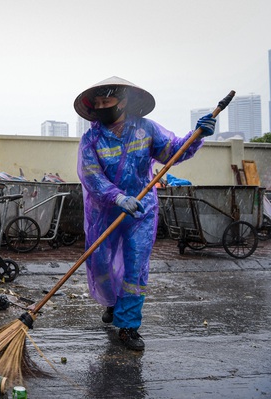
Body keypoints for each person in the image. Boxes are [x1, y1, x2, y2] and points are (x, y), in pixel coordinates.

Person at [73, 76, 216, 350]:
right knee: (100, 263)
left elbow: (172, 152)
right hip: (104, 211)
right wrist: (116, 196)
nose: (103, 106)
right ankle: (113, 303)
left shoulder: (146, 129)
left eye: (108, 101)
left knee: (135, 267)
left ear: (123, 102)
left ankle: (128, 326)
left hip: (141, 211)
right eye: (99, 103)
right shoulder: (91, 139)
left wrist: (196, 137)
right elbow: (90, 175)